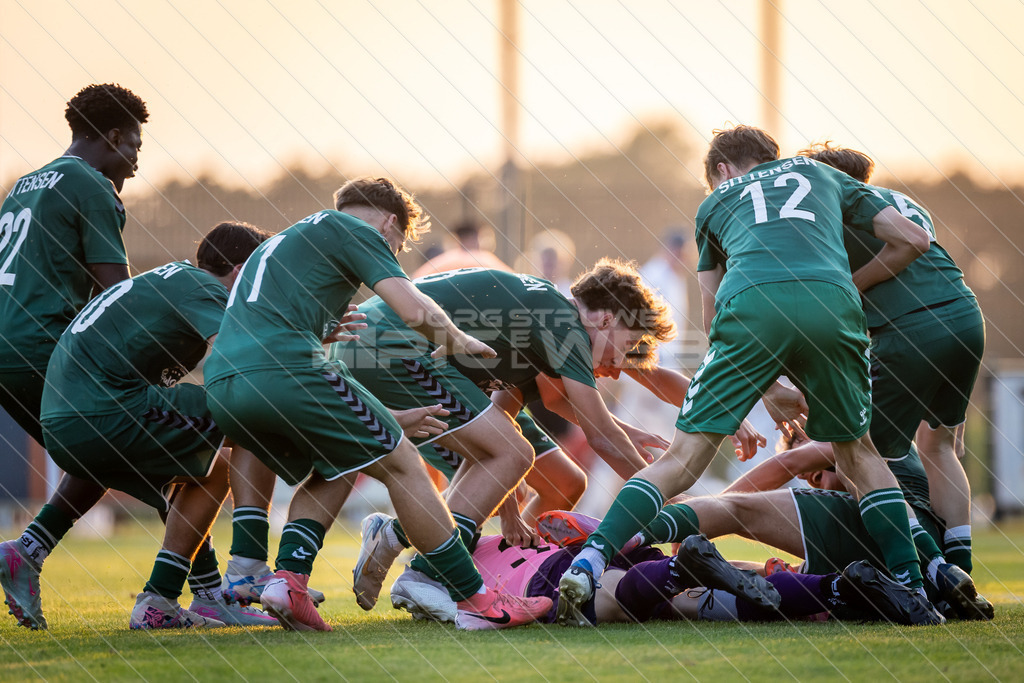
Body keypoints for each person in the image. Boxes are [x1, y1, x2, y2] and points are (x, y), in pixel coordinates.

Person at [556, 124, 940, 626]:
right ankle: (915, 583)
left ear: (721, 170)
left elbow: (714, 319)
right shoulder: (820, 173)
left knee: (683, 459)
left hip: (750, 307)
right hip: (833, 302)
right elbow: (914, 238)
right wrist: (841, 283)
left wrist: (765, 384)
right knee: (860, 453)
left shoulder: (715, 203)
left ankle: (592, 557)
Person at [204, 177, 552, 632]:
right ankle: (477, 601)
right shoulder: (360, 231)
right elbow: (412, 309)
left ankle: (287, 579)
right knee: (404, 465)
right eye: (398, 243)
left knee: (338, 463)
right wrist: (458, 339)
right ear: (390, 223)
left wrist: (316, 329)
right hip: (286, 370)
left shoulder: (292, 236)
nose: (393, 252)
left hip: (224, 381)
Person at [336, 261, 676, 611]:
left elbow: (497, 426)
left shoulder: (543, 319)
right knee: (518, 454)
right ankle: (426, 573)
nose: (620, 363)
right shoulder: (565, 324)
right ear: (607, 320)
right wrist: (670, 499)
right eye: (629, 342)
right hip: (390, 345)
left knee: (509, 452)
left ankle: (396, 537)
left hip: (367, 342)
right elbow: (602, 436)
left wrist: (511, 509)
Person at [36, 222, 273, 630]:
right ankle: (247, 566)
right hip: (101, 409)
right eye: (262, 276)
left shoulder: (175, 280)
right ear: (240, 270)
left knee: (213, 471)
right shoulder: (205, 289)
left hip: (66, 417)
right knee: (255, 417)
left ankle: (161, 600)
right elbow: (241, 365)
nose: (264, 292)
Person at [0, 83, 149, 629]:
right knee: (160, 452)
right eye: (134, 144)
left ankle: (26, 553)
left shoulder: (23, 184)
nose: (135, 160)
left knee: (99, 458)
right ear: (112, 136)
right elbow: (117, 295)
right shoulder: (92, 185)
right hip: (42, 342)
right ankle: (197, 593)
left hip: (6, 343)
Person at [800, 142, 983, 576]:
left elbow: (837, 296)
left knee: (859, 459)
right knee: (940, 446)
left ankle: (933, 566)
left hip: (910, 331)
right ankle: (961, 563)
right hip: (965, 318)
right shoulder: (905, 202)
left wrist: (851, 287)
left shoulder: (837, 212)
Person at [390, 529, 938, 628]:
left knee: (608, 603)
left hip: (549, 579)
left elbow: (417, 592)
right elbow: (590, 530)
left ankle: (680, 569)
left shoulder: (441, 559)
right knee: (693, 599)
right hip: (601, 551)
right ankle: (836, 589)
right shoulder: (500, 527)